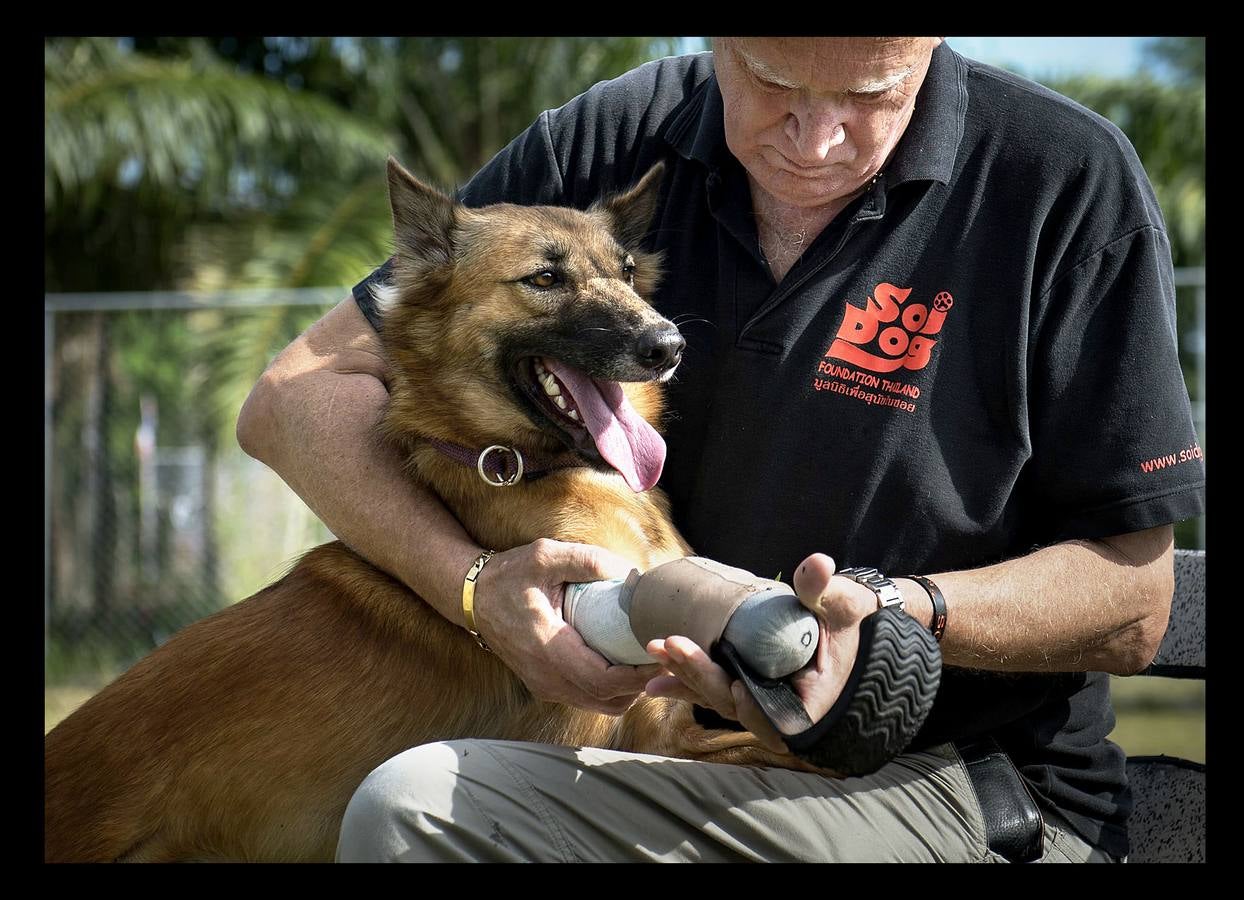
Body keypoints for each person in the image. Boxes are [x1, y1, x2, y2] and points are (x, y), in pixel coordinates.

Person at [236, 37, 1205, 862]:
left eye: (869, 95)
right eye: (773, 83)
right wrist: (473, 585)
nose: (816, 137)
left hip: (955, 783)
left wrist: (899, 614)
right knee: (417, 800)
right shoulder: (621, 132)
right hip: (677, 751)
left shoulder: (1061, 179)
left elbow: (1132, 599)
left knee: (419, 812)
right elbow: (292, 400)